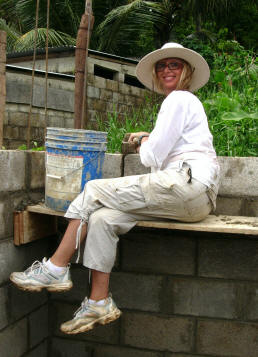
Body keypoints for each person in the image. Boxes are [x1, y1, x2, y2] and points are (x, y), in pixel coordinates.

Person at [10, 43, 220, 335]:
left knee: (94, 189)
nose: (167, 70)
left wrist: (141, 142)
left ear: (187, 71)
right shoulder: (185, 104)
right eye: (162, 66)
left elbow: (151, 157)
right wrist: (149, 137)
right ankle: (98, 301)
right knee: (102, 218)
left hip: (188, 185)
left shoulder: (179, 100)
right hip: (192, 196)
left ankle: (56, 268)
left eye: (175, 65)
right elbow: (167, 149)